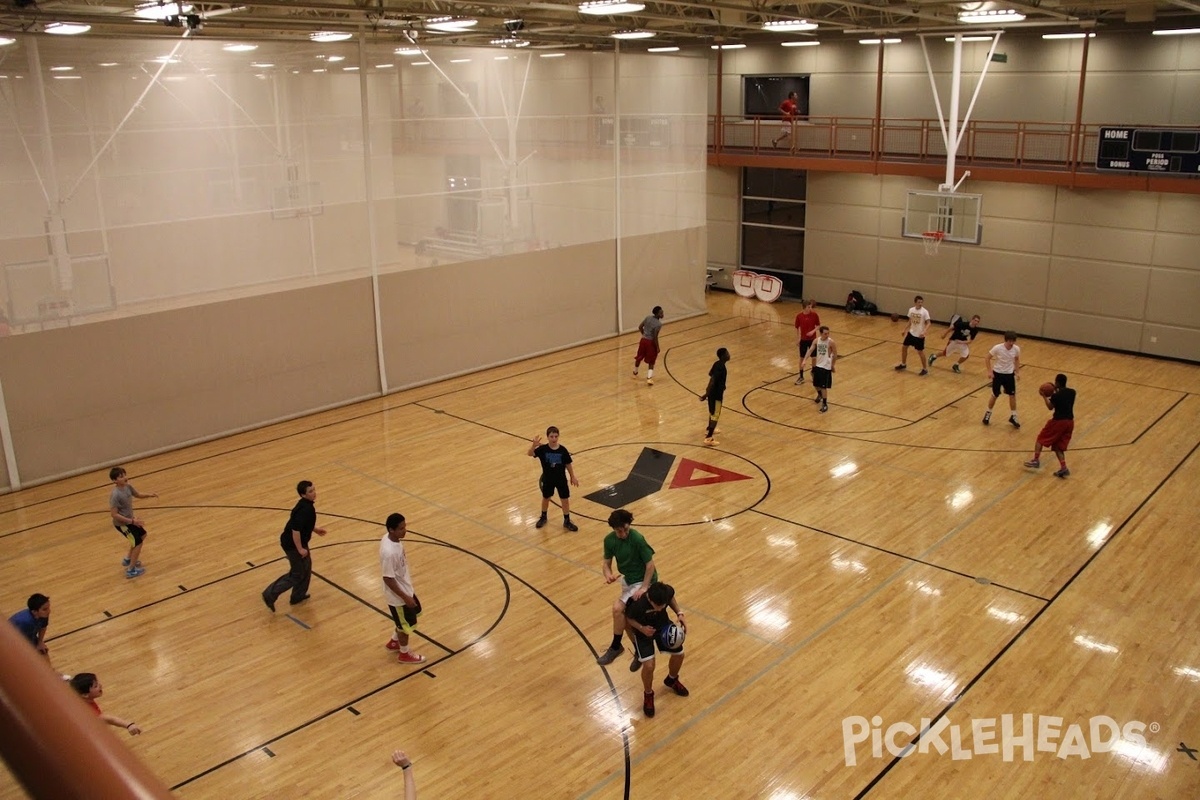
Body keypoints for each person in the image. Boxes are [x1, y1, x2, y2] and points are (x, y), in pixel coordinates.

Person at [595, 509, 658, 666]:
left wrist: (644, 588)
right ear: (613, 529)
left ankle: (616, 646)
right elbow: (606, 563)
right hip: (628, 581)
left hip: (644, 581)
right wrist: (608, 574)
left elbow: (650, 566)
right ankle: (639, 651)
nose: (623, 534)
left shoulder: (637, 539)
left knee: (618, 609)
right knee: (625, 620)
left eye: (626, 530)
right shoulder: (609, 541)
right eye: (619, 531)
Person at [625, 582, 688, 718]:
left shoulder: (665, 591)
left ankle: (672, 680)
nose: (660, 609)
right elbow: (628, 619)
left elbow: (671, 597)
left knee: (679, 655)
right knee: (649, 665)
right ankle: (648, 694)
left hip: (663, 627)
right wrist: (642, 628)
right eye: (657, 606)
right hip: (643, 632)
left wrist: (679, 612)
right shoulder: (638, 603)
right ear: (650, 599)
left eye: (662, 606)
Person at [262, 480, 327, 611]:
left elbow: (302, 525)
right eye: (310, 491)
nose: (314, 493)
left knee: (306, 567)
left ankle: (298, 595)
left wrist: (314, 529)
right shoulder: (305, 509)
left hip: (298, 542)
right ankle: (270, 594)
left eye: (314, 490)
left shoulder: (307, 506)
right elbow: (295, 531)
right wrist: (300, 549)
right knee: (297, 574)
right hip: (292, 545)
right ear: (303, 495)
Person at [381, 513, 426, 664]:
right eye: (401, 528)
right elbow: (388, 579)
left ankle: (394, 642)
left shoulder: (391, 539)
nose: (405, 530)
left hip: (406, 588)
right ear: (391, 530)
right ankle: (404, 654)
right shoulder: (389, 552)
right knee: (406, 626)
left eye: (405, 526)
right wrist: (405, 598)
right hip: (398, 596)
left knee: (404, 621)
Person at [109, 466, 158, 579]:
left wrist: (149, 495)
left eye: (125, 475)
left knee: (142, 535)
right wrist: (132, 521)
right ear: (114, 481)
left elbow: (137, 494)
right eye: (121, 476)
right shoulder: (115, 495)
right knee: (138, 542)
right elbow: (114, 514)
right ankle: (131, 570)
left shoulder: (128, 487)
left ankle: (128, 559)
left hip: (131, 521)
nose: (125, 477)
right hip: (122, 525)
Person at [528, 427, 580, 532]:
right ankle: (543, 517)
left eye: (556, 436)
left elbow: (568, 464)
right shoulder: (543, 450)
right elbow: (530, 454)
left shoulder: (563, 450)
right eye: (551, 436)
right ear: (547, 437)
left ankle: (567, 520)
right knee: (546, 498)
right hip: (548, 479)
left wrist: (572, 476)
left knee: (564, 500)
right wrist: (533, 446)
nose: (554, 438)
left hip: (561, 479)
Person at [1025, 373, 1076, 478]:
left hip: (1058, 422)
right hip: (1070, 423)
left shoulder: (1055, 396)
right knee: (1058, 446)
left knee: (1040, 438)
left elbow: (1050, 407)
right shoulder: (1072, 392)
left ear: (1057, 382)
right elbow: (1064, 396)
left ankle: (1036, 460)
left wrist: (1044, 396)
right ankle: (1064, 468)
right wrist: (1055, 390)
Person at [68, 673, 141, 736]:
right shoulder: (89, 712)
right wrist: (129, 725)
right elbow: (109, 719)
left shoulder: (76, 696)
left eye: (97, 683)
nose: (100, 685)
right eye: (95, 686)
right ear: (85, 694)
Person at [984, 331, 1022, 428]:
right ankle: (988, 413)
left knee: (1012, 395)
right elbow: (987, 358)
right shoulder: (997, 348)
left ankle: (1013, 416)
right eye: (1010, 341)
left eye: (1013, 341)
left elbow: (1017, 359)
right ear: (1006, 340)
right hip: (998, 374)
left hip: (1009, 375)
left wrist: (1017, 372)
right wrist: (989, 371)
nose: (1011, 343)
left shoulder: (1016, 349)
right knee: (995, 395)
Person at [701, 347, 730, 446]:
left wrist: (721, 384)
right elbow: (713, 380)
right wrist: (706, 394)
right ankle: (708, 438)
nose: (729, 355)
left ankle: (709, 429)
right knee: (715, 415)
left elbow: (711, 374)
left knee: (712, 411)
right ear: (723, 356)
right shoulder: (721, 367)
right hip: (716, 394)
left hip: (713, 393)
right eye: (727, 353)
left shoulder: (717, 364)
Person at [894, 295, 931, 375]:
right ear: (915, 302)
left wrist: (924, 332)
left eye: (921, 302)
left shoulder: (924, 311)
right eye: (919, 302)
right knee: (904, 347)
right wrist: (905, 330)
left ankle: (925, 369)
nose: (920, 304)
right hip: (911, 333)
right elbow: (910, 321)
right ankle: (903, 364)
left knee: (920, 352)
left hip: (919, 336)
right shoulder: (911, 310)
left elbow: (928, 323)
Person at [633, 306, 664, 385]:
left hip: (643, 340)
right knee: (651, 360)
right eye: (661, 313)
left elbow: (640, 327)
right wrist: (657, 347)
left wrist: (644, 334)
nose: (662, 314)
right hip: (650, 342)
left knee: (639, 356)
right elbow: (655, 336)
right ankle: (649, 378)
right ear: (657, 314)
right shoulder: (658, 324)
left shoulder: (648, 318)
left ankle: (635, 371)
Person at [811, 326, 837, 413]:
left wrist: (832, 365)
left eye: (828, 333)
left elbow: (835, 354)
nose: (827, 335)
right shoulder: (817, 341)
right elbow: (811, 351)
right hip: (818, 365)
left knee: (823, 386)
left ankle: (825, 404)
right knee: (815, 384)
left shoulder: (831, 342)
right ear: (821, 333)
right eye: (825, 333)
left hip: (826, 367)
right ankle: (820, 395)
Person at [794, 299, 820, 384]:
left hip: (813, 340)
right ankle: (801, 376)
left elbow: (818, 325)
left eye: (811, 307)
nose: (810, 308)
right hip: (803, 340)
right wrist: (798, 338)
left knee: (814, 357)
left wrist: (813, 331)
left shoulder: (814, 315)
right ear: (804, 307)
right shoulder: (799, 316)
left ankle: (813, 372)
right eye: (809, 307)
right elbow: (797, 328)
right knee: (802, 358)